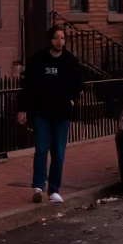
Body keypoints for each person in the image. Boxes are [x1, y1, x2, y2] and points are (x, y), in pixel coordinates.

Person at [17, 24, 84, 203]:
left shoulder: (70, 61)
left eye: (62, 38)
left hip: (62, 115)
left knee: (58, 153)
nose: (59, 41)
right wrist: (22, 109)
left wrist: (73, 99)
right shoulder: (39, 60)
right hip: (42, 114)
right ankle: (38, 186)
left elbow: (79, 84)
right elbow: (27, 86)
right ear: (49, 40)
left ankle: (54, 189)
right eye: (56, 38)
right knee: (41, 150)